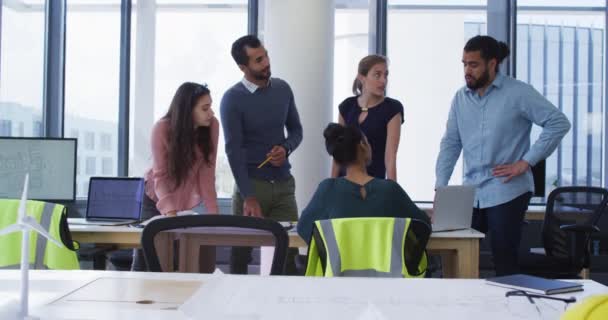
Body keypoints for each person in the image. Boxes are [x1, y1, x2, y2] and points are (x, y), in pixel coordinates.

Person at [435, 35, 571, 276]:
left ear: (492, 64)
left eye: (474, 65)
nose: (467, 70)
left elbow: (558, 122)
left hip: (507, 189)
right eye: (464, 64)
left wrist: (526, 162)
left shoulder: (518, 93)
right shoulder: (460, 98)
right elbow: (451, 144)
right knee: (454, 252)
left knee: (503, 256)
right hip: (472, 191)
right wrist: (441, 187)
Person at [220, 35, 303, 274]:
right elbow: (234, 151)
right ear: (243, 67)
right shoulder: (232, 99)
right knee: (240, 258)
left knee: (287, 255)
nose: (266, 62)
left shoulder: (283, 88)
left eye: (265, 55)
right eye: (258, 60)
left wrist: (286, 148)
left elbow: (296, 131)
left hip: (284, 186)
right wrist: (249, 196)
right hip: (252, 187)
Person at [132, 82, 219, 271]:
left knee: (181, 258)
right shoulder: (162, 128)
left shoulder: (212, 126)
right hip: (154, 197)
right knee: (147, 257)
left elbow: (207, 176)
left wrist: (215, 219)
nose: (211, 113)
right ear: (188, 110)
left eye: (210, 106)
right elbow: (160, 176)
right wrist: (171, 216)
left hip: (181, 198)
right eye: (205, 108)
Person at [298, 123, 429, 242]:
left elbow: (303, 228)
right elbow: (423, 226)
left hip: (341, 268)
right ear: (362, 145)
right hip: (388, 268)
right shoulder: (390, 190)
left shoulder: (327, 189)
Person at [332, 54, 403, 180]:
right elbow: (338, 153)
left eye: (386, 75)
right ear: (362, 77)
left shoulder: (392, 109)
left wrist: (393, 192)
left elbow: (390, 157)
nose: (383, 80)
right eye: (377, 75)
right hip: (345, 184)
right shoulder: (346, 106)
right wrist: (331, 185)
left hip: (374, 186)